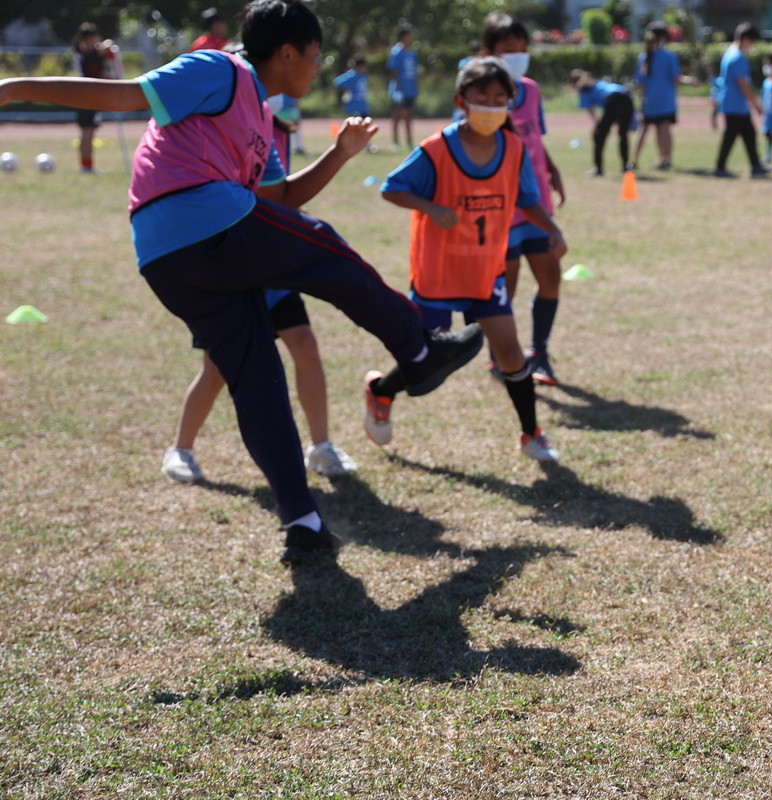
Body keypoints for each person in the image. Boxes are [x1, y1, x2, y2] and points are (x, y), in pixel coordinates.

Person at [0, 0, 484, 566]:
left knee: (256, 376)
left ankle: (302, 521)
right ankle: (417, 349)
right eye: (314, 56)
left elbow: (279, 202)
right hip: (201, 220)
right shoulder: (220, 69)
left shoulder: (260, 117)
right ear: (286, 53)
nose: (317, 67)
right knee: (326, 249)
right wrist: (10, 87)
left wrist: (338, 154)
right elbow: (125, 96)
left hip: (169, 259)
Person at [376, 57, 568, 463]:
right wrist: (429, 207)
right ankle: (380, 391)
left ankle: (531, 433)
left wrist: (552, 229)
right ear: (461, 101)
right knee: (425, 365)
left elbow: (528, 200)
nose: (492, 105)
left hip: (485, 271)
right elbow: (392, 189)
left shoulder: (513, 148)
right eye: (482, 97)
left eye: (501, 98)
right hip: (439, 273)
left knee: (511, 353)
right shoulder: (436, 149)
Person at [162, 289, 358, 483]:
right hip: (228, 285)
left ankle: (321, 447)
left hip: (270, 281)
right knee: (216, 370)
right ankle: (180, 450)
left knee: (305, 344)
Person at [480, 13, 567, 386]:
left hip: (537, 203)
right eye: (506, 50)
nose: (516, 55)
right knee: (507, 286)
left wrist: (552, 169)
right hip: (501, 209)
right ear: (489, 53)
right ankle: (501, 354)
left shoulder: (530, 90)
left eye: (521, 48)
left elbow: (535, 139)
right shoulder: (482, 97)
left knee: (550, 276)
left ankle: (539, 352)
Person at [714, 22, 767, 179]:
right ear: (745, 39)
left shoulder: (730, 53)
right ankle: (720, 167)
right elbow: (743, 83)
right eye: (752, 42)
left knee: (749, 134)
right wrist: (755, 104)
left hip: (735, 104)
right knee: (730, 136)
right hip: (735, 103)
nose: (752, 46)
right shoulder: (737, 57)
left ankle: (756, 166)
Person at [633, 21, 684, 171]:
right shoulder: (669, 56)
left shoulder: (643, 57)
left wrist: (641, 102)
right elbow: (675, 78)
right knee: (664, 130)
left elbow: (641, 83)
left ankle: (633, 160)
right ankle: (665, 159)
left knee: (643, 130)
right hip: (666, 100)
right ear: (663, 37)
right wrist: (689, 80)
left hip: (649, 101)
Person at [569, 69, 633, 177]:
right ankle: (625, 166)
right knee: (623, 134)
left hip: (614, 100)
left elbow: (591, 111)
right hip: (626, 97)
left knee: (599, 136)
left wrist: (597, 126)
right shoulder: (596, 82)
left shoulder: (584, 89)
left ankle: (598, 168)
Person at [71, 23, 115, 174]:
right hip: (88, 96)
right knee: (87, 133)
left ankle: (86, 165)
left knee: (87, 132)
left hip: (85, 96)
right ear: (91, 37)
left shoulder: (83, 52)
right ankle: (86, 166)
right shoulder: (88, 54)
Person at [387, 24, 419, 150]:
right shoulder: (396, 52)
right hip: (400, 90)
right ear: (404, 36)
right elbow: (394, 72)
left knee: (409, 116)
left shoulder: (412, 53)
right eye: (409, 34)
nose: (411, 37)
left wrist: (416, 88)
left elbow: (415, 73)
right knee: (397, 116)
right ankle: (395, 142)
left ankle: (409, 142)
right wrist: (398, 89)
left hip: (411, 90)